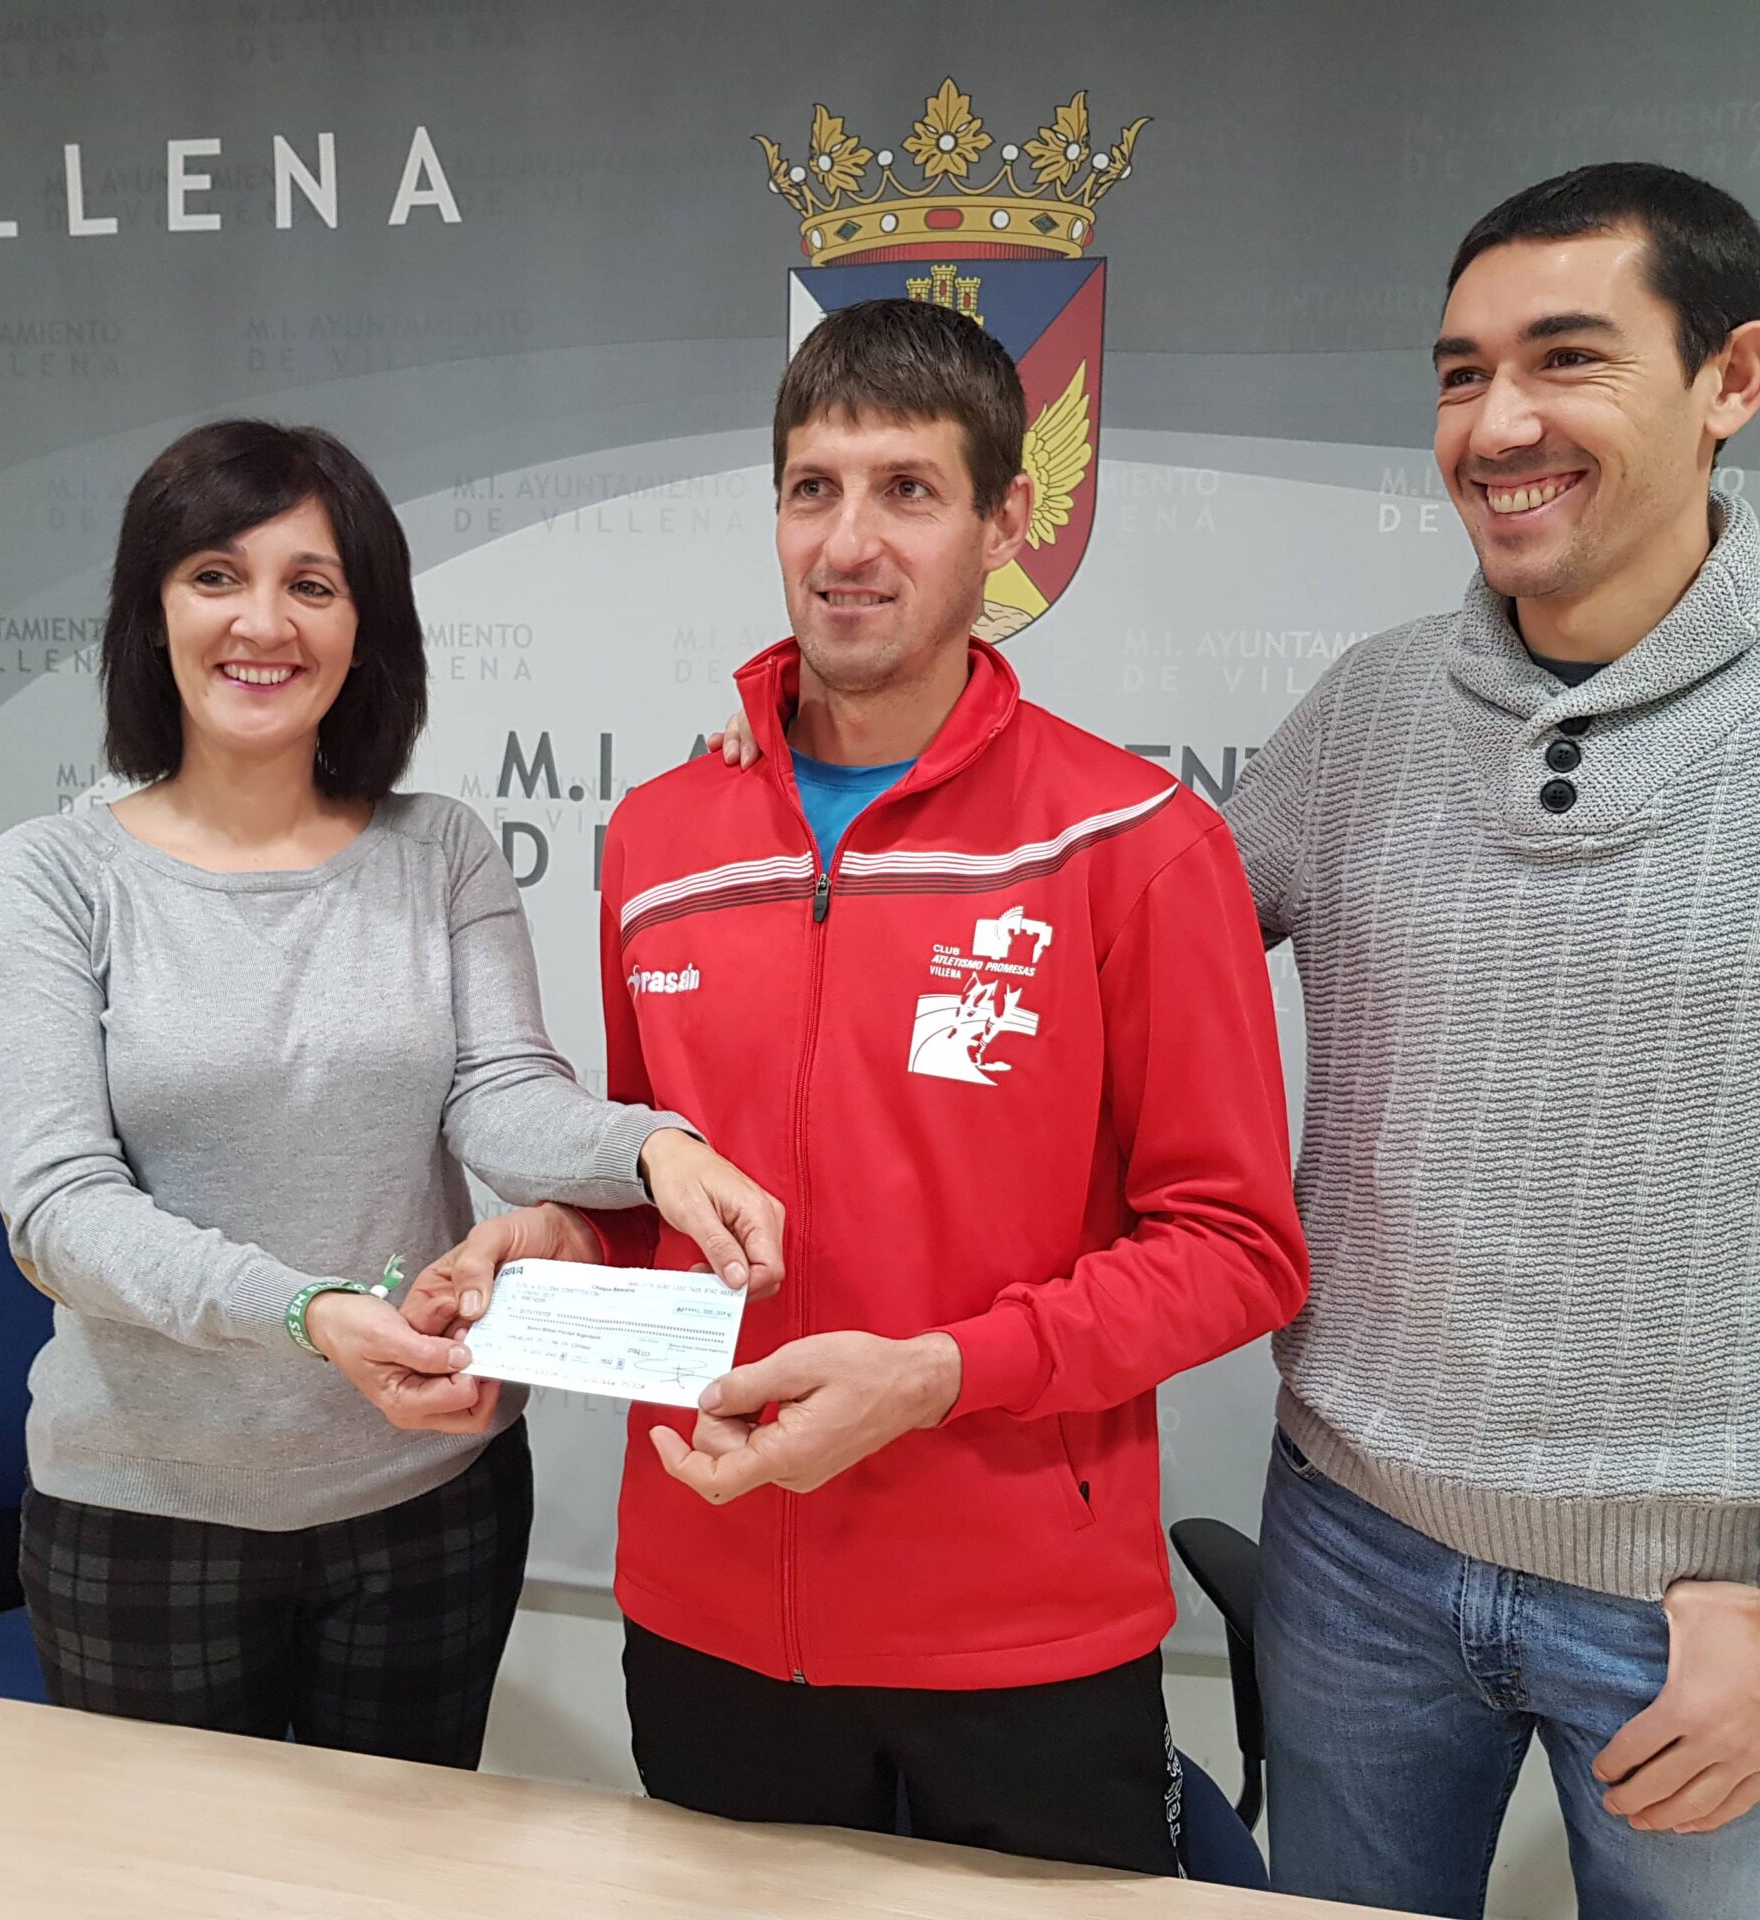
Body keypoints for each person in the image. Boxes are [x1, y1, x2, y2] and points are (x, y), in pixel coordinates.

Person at [1223, 163, 1760, 1920]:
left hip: (1715, 1610)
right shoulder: (1368, 709)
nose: (1498, 424)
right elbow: (1092, 969)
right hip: (1350, 1555)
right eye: (1461, 374)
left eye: (1567, 359)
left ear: (1732, 379)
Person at [416, 300, 1310, 1873]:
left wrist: (940, 1375)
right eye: (812, 489)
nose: (849, 543)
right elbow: (660, 1194)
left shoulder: (1133, 844)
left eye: (908, 490)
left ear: (1006, 523)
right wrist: (559, 1239)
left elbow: (1235, 1252)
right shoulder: (662, 836)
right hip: (706, 1605)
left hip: (1019, 1631)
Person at [0, 418, 782, 1766]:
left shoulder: (438, 849)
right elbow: (60, 1211)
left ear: (363, 628)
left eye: (311, 584)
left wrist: (655, 1153)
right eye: (214, 576)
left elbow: (500, 1096)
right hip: (151, 1515)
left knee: (410, 1867)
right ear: (151, 613)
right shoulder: (50, 879)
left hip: (430, 1500)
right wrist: (306, 1313)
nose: (261, 623)